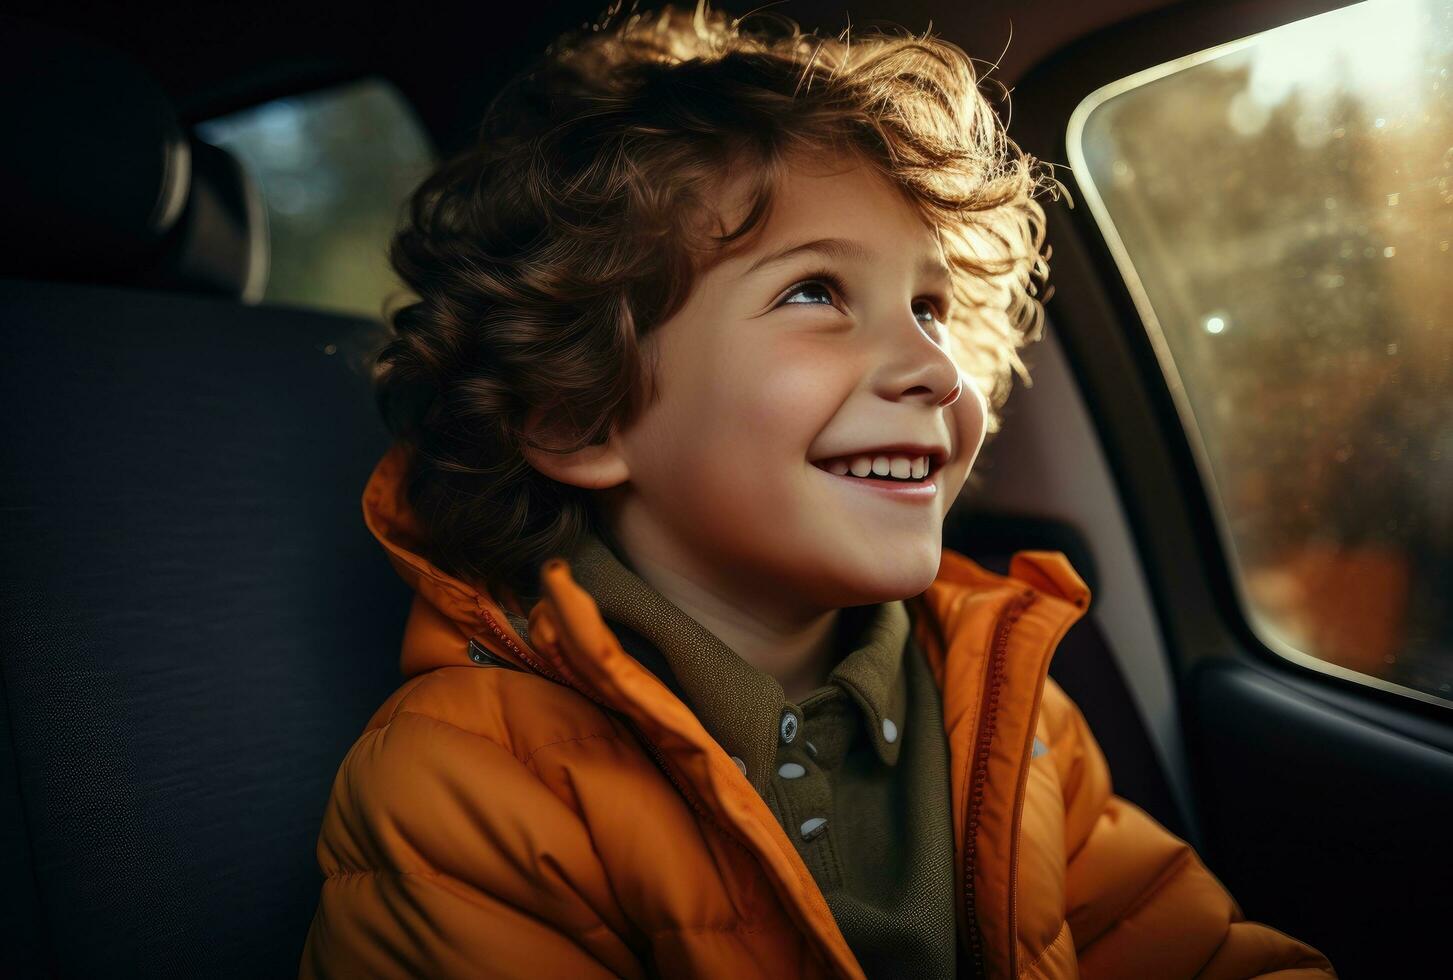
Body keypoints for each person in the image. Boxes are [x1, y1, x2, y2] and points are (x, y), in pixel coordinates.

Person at [299, 3, 1336, 976]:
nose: (934, 367)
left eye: (931, 307)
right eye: (815, 291)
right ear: (581, 414)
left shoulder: (1005, 709)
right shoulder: (467, 786)